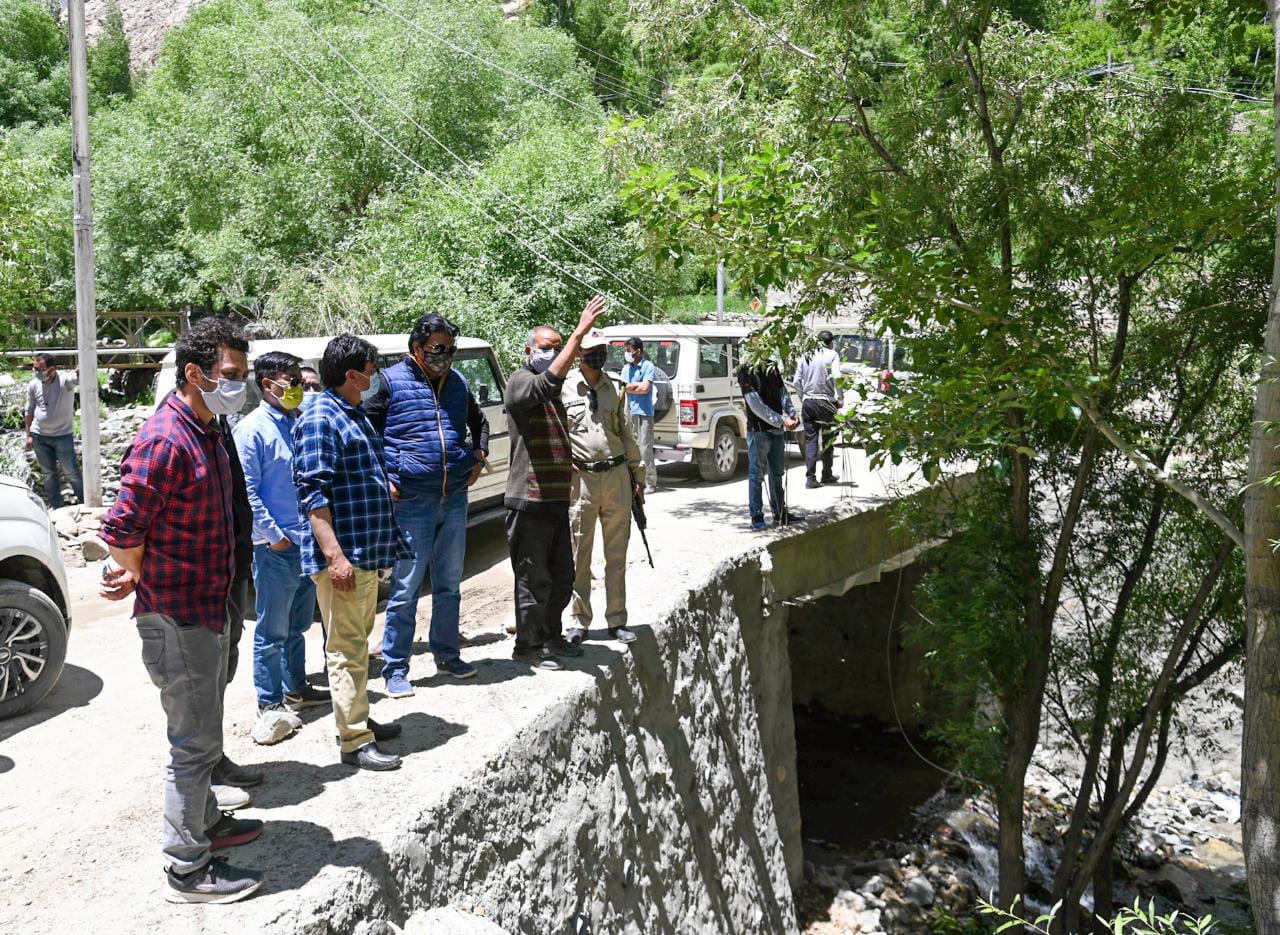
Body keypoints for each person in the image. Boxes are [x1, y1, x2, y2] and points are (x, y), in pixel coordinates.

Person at [98, 317, 265, 904]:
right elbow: (120, 530)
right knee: (191, 746)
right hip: (178, 615)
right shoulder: (166, 439)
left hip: (210, 606)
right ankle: (186, 869)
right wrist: (138, 572)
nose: (239, 385)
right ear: (194, 373)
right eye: (230, 374)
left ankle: (207, 824)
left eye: (242, 374)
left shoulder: (209, 429)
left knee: (206, 731)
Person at [293, 335, 409, 772]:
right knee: (345, 648)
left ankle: (358, 716)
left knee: (358, 645)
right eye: (371, 370)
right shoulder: (321, 417)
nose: (375, 376)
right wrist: (335, 558)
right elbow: (313, 494)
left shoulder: (351, 412)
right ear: (351, 375)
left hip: (365, 552)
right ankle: (354, 740)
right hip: (345, 558)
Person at [366, 314, 490, 697]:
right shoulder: (389, 382)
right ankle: (395, 668)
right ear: (416, 348)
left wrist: (478, 456)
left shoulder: (457, 383)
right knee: (405, 588)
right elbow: (364, 431)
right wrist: (384, 476)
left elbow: (480, 422)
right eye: (438, 348)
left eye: (451, 349)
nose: (445, 356)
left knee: (449, 584)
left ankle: (447, 654)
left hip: (453, 498)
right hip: (411, 502)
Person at [505, 297, 607, 669]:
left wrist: (568, 459)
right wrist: (579, 333)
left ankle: (551, 636)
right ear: (528, 350)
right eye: (546, 347)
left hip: (554, 499)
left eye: (558, 346)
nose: (552, 352)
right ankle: (528, 648)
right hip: (529, 500)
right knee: (533, 579)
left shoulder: (553, 396)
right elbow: (547, 382)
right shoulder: (521, 382)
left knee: (563, 576)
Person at [233, 351, 328, 747]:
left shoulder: (297, 422)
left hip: (305, 542)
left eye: (299, 380)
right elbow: (248, 492)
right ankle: (269, 702)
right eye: (291, 381)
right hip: (277, 547)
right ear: (267, 384)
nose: (297, 388)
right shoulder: (252, 430)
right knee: (271, 629)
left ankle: (297, 688)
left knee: (297, 625)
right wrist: (275, 536)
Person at [562, 329, 644, 645]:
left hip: (616, 477)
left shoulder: (617, 388)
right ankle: (579, 621)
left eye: (602, 350)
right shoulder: (564, 388)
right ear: (579, 353)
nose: (597, 355)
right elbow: (557, 433)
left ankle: (617, 619)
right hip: (581, 481)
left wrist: (638, 477)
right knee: (578, 554)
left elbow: (627, 434)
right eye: (591, 350)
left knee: (617, 553)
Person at [737, 335, 801, 530]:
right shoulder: (746, 371)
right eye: (759, 342)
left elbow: (782, 392)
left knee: (777, 473)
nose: (763, 345)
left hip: (777, 431)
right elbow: (755, 404)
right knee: (756, 475)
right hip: (759, 431)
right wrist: (782, 420)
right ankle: (756, 516)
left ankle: (780, 512)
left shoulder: (772, 366)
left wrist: (792, 412)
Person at [24, 353, 84, 509]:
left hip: (62, 436)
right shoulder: (33, 385)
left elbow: (80, 378)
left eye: (40, 369)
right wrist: (28, 435)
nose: (37, 372)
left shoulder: (65, 380)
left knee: (70, 471)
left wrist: (82, 370)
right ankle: (56, 505)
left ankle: (85, 500)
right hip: (39, 436)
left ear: (52, 369)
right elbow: (29, 410)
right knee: (48, 473)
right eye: (35, 368)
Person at [793, 330, 842, 489]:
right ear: (830, 342)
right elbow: (837, 376)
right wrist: (840, 398)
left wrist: (803, 397)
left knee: (811, 440)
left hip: (808, 403)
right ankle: (826, 474)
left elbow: (796, 381)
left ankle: (811, 478)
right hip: (826, 403)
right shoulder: (832, 355)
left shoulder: (806, 355)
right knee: (828, 440)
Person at [621, 336, 658, 494]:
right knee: (631, 448)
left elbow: (645, 388)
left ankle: (650, 482)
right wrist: (636, 386)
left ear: (638, 351)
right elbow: (623, 388)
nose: (627, 353)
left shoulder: (648, 366)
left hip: (645, 413)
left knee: (645, 449)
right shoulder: (626, 369)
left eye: (629, 350)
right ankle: (634, 481)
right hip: (630, 412)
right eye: (626, 350)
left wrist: (632, 387)